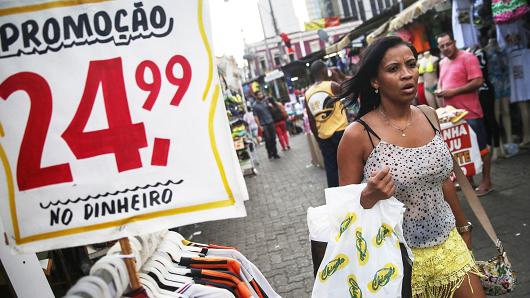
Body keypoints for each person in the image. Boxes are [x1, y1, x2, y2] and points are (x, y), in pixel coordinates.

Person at [337, 36, 485, 298]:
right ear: (375, 80)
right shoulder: (358, 135)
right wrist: (369, 195)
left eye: (411, 65)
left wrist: (464, 228)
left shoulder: (429, 115)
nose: (407, 75)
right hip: (398, 259)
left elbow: (442, 179)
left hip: (449, 244)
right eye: (394, 69)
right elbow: (343, 213)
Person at [436, 33, 493, 196]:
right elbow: (442, 83)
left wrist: (453, 91)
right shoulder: (442, 63)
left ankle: (487, 181)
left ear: (454, 43)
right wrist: (440, 92)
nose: (446, 48)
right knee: (463, 149)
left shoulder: (468, 57)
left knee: (481, 148)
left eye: (448, 44)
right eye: (442, 46)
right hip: (452, 116)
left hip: (470, 112)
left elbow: (478, 81)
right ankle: (469, 180)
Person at [305, 60, 349, 187]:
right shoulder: (332, 85)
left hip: (324, 136)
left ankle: (335, 198)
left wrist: (318, 139)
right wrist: (337, 77)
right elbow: (348, 95)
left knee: (331, 169)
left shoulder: (307, 93)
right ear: (324, 70)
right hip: (340, 133)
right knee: (347, 165)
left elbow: (311, 120)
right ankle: (351, 193)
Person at [253, 91, 280, 159]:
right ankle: (269, 152)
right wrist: (259, 126)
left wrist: (271, 106)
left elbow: (273, 109)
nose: (261, 95)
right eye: (259, 95)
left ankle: (275, 153)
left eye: (261, 94)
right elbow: (255, 117)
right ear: (256, 96)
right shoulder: (255, 106)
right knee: (268, 139)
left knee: (273, 138)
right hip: (263, 124)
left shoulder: (266, 102)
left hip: (270, 122)